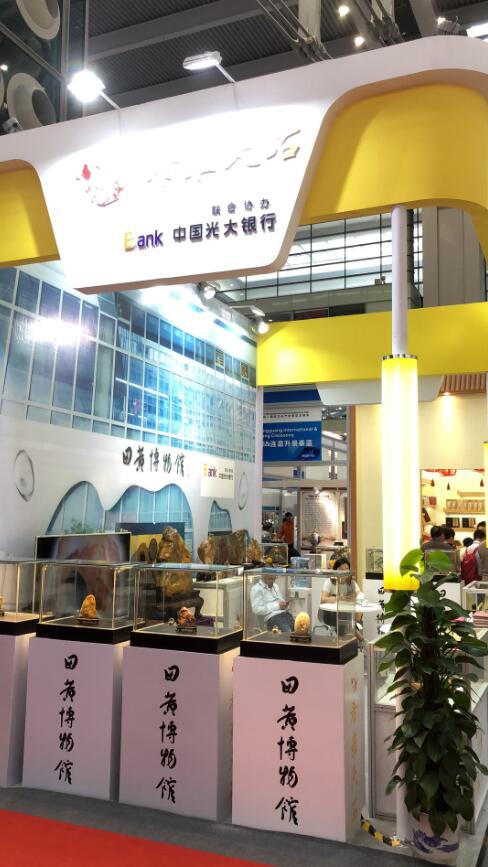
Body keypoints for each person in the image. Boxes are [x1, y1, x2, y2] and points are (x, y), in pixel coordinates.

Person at [319, 557, 360, 635]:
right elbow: (323, 599)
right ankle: (359, 638)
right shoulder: (329, 582)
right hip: (330, 615)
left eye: (346, 569)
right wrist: (339, 598)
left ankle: (355, 636)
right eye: (341, 569)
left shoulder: (351, 583)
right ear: (335, 570)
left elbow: (360, 596)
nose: (344, 571)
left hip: (348, 615)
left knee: (349, 618)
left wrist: (354, 599)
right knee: (345, 619)